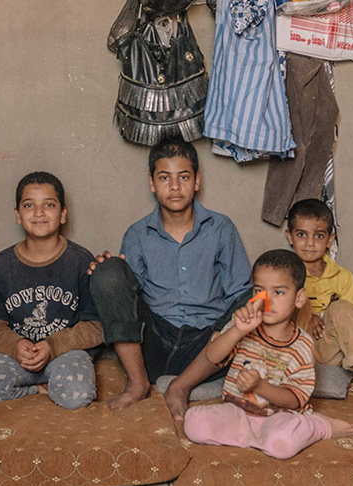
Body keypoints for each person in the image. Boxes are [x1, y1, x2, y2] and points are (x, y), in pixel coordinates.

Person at [85, 139, 252, 411]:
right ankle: (138, 383)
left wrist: (223, 330)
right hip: (155, 343)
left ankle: (181, 386)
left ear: (196, 181)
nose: (175, 186)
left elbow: (239, 293)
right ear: (152, 183)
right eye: (164, 178)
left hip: (206, 344)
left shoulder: (221, 228)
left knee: (255, 295)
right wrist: (109, 273)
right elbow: (127, 300)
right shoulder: (138, 234)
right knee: (109, 269)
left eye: (183, 177)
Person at [178, 249, 353, 459]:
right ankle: (257, 438)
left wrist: (260, 386)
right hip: (238, 412)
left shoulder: (301, 345)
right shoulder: (242, 325)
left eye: (279, 292)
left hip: (280, 417)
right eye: (259, 291)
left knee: (281, 445)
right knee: (194, 424)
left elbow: (294, 400)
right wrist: (237, 330)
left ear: (299, 298)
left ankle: (319, 426)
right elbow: (212, 357)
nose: (267, 300)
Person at [0, 172, 103, 410]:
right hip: (17, 357)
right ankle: (38, 390)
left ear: (62, 214)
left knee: (77, 395)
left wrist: (53, 345)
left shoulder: (80, 261)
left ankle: (54, 385)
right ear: (18, 215)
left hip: (64, 353)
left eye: (48, 205)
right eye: (29, 205)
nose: (39, 213)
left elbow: (95, 326)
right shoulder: (2, 265)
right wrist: (15, 345)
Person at [284, 198, 353, 415]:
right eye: (301, 235)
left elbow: (351, 320)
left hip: (329, 349)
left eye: (319, 235)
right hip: (295, 348)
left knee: (343, 307)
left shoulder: (342, 276)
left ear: (330, 239)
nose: (310, 243)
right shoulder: (285, 273)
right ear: (290, 237)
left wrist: (323, 315)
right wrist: (308, 314)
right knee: (294, 296)